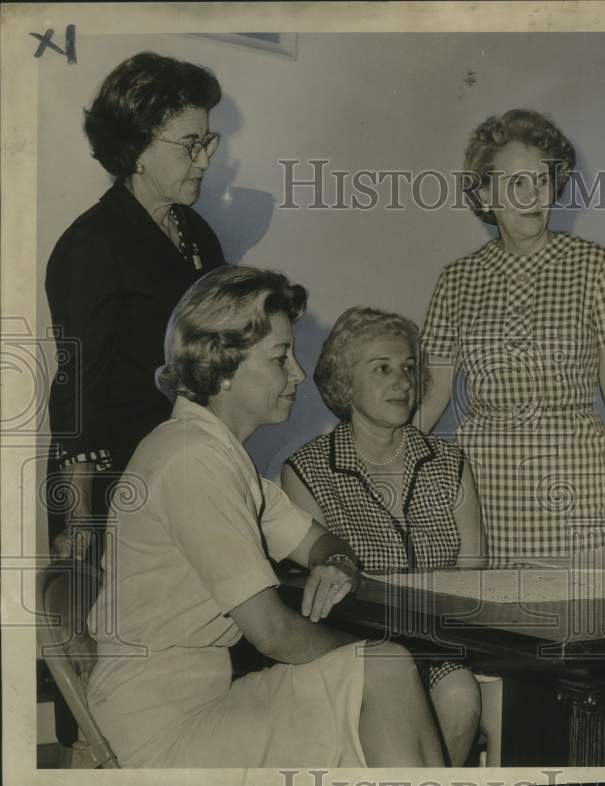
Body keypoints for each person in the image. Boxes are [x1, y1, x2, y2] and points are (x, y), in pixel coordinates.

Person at [85, 267, 444, 767]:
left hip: (201, 700)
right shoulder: (192, 460)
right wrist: (368, 648)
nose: (297, 373)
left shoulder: (221, 455)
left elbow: (322, 543)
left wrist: (336, 564)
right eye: (280, 358)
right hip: (159, 729)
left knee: (390, 670)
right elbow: (273, 634)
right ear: (224, 368)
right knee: (386, 665)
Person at [417, 109, 605, 562]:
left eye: (541, 181)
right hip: (482, 489)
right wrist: (378, 459)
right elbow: (435, 394)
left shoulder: (596, 266)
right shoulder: (457, 279)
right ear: (485, 192)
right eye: (515, 183)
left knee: (580, 619)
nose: (532, 196)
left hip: (577, 485)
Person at [283, 306, 484, 765]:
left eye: (409, 369)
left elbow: (475, 574)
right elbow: (312, 600)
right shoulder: (308, 471)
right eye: (382, 369)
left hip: (437, 645)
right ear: (344, 382)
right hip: (356, 651)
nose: (402, 381)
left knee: (460, 693)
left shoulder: (449, 463)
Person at [46, 51, 226, 561]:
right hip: (116, 486)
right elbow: (77, 390)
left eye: (208, 142)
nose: (206, 159)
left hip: (188, 468)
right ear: (137, 148)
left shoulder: (198, 236)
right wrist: (80, 520)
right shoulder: (93, 244)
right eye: (191, 144)